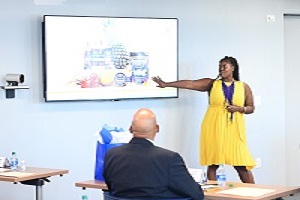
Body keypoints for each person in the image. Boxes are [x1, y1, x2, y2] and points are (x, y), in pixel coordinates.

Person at [152, 56, 256, 184]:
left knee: (242, 164)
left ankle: (256, 194)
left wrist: (240, 109)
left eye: (224, 66)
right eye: (219, 66)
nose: (221, 69)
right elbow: (190, 84)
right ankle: (213, 194)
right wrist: (166, 84)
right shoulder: (212, 84)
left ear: (233, 68)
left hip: (234, 129)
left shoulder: (244, 86)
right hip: (213, 126)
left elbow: (251, 108)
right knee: (213, 163)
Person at [103, 108, 204, 200]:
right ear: (157, 128)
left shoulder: (112, 154)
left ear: (130, 129)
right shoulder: (169, 158)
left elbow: (110, 186)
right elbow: (195, 193)